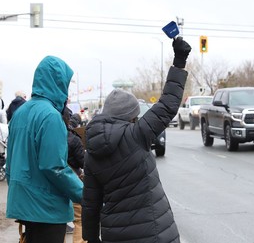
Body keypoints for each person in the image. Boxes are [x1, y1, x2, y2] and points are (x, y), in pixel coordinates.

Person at [82, 36, 191, 243]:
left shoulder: (92, 152)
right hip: (154, 233)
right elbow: (167, 105)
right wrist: (179, 61)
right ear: (130, 116)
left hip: (115, 235)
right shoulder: (136, 134)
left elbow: (90, 203)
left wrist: (91, 238)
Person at [6, 55, 84, 243]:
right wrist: (85, 195)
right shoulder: (51, 116)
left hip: (24, 204)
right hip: (46, 209)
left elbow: (10, 164)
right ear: (58, 83)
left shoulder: (20, 113)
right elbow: (54, 167)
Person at [62, 109, 86, 243]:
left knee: (58, 222)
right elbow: (83, 162)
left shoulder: (48, 135)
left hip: (52, 185)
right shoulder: (74, 138)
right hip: (72, 181)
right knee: (80, 219)